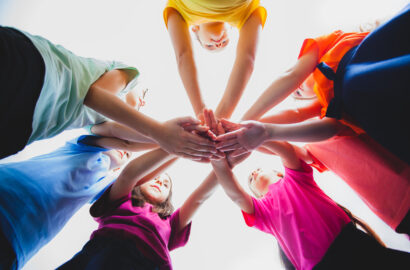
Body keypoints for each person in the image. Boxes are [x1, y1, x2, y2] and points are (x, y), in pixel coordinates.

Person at [0, 26, 216, 161]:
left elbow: (125, 142)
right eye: (145, 96)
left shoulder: (95, 124)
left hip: (25, 128)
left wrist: (184, 144)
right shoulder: (130, 75)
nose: (141, 101)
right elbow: (94, 97)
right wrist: (161, 132)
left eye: (143, 106)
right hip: (39, 72)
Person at [227, 4, 410, 164]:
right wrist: (261, 131)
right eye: (298, 95)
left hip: (379, 57)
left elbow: (292, 76)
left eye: (295, 90)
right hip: (384, 105)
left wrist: (243, 121)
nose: (296, 89)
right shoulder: (329, 107)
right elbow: (301, 116)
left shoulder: (327, 44)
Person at [210, 139, 410, 270]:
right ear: (256, 195)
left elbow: (286, 151)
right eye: (250, 181)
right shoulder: (263, 213)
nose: (253, 174)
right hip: (322, 266)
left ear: (279, 172)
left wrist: (255, 138)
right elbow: (236, 195)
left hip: (350, 242)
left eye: (258, 169)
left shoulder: (296, 178)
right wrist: (218, 161)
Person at [57, 146, 220, 270]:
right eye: (156, 178)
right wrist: (179, 147)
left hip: (150, 264)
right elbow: (129, 174)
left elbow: (199, 198)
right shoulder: (122, 198)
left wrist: (223, 163)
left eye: (165, 185)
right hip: (104, 249)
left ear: (167, 198)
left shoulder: (170, 222)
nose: (159, 183)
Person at [0, 135, 141, 269]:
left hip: (17, 242)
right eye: (122, 145)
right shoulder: (80, 148)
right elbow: (111, 137)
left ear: (117, 168)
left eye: (128, 155)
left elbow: (133, 178)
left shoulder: (105, 185)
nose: (125, 151)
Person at [163, 0, 267, 120]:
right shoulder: (245, 13)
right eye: (225, 42)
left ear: (195, 29)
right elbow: (247, 58)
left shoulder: (181, 11)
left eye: (209, 46)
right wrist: (221, 118)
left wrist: (202, 114)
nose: (218, 44)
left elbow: (183, 56)